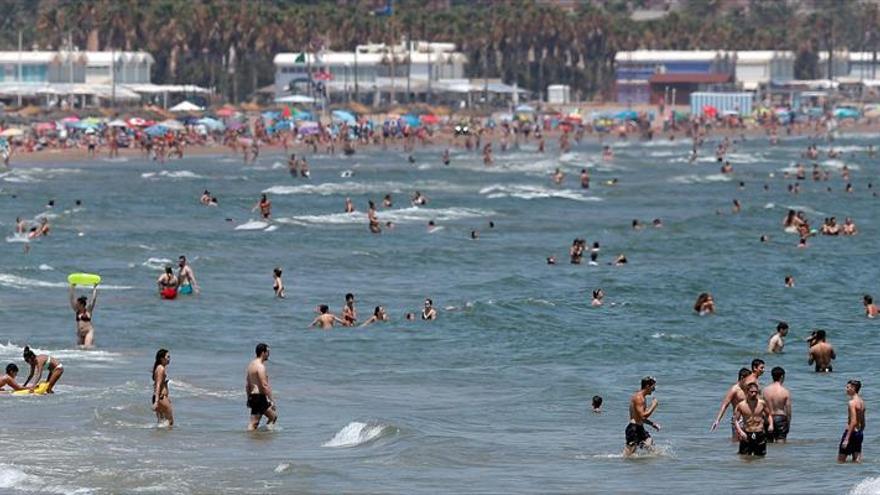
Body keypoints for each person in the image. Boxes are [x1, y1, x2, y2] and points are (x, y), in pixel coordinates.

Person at [734, 382, 773, 456]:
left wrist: (771, 425)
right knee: (744, 457)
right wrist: (740, 432)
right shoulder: (741, 405)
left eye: (756, 392)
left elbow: (769, 415)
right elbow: (735, 420)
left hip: (759, 433)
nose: (754, 394)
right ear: (747, 392)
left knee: (760, 458)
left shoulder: (762, 403)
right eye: (752, 392)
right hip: (746, 434)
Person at [624, 376, 660, 456]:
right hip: (633, 429)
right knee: (628, 456)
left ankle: (644, 464)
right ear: (647, 386)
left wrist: (652, 424)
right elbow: (643, 416)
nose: (654, 389)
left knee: (650, 445)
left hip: (639, 428)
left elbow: (640, 418)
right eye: (653, 387)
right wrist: (653, 405)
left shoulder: (642, 397)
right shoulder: (639, 398)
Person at [712, 368, 751, 441]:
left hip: (748, 420)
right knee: (736, 442)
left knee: (748, 442)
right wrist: (717, 420)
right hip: (738, 420)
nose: (749, 381)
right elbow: (725, 405)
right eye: (748, 379)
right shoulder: (734, 389)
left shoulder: (748, 389)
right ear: (742, 378)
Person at [246, 343, 277, 431]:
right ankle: (250, 438)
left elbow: (247, 384)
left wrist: (249, 398)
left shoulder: (251, 365)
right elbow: (264, 385)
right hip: (259, 397)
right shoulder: (260, 367)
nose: (269, 354)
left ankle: (262, 435)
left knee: (273, 417)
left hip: (255, 397)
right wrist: (272, 400)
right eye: (268, 352)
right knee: (254, 423)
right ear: (263, 353)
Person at [838, 380, 866, 463]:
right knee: (856, 461)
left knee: (840, 461)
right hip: (859, 433)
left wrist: (847, 438)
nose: (846, 389)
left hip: (851, 433)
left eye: (848, 387)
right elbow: (863, 422)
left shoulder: (852, 403)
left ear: (853, 388)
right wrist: (860, 432)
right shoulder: (862, 402)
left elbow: (853, 421)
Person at [762, 367, 791, 443]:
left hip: (768, 418)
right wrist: (788, 423)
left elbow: (762, 407)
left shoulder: (765, 390)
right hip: (780, 418)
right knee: (781, 444)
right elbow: (788, 410)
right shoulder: (785, 391)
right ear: (782, 376)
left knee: (768, 442)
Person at [70, 283, 98, 347]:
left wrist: (94, 288)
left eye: (77, 303)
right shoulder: (77, 311)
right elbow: (71, 299)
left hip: (88, 332)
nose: (76, 304)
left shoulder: (88, 310)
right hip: (80, 334)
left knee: (87, 347)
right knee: (79, 350)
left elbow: (93, 300)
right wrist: (72, 288)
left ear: (82, 304)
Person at [151, 349, 173, 427]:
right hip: (161, 397)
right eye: (167, 357)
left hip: (159, 397)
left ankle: (159, 438)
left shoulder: (158, 367)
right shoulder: (161, 369)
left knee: (161, 423)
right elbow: (158, 385)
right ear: (162, 358)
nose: (169, 359)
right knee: (170, 422)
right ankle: (169, 438)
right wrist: (157, 401)